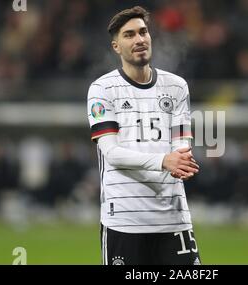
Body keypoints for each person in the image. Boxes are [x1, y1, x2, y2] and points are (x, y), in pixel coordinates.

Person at [86, 6, 201, 265]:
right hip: (126, 220)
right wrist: (165, 161)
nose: (139, 39)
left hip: (174, 219)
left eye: (143, 32)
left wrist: (182, 161)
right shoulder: (102, 90)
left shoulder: (177, 86)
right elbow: (112, 153)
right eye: (129, 35)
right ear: (116, 46)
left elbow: (181, 148)